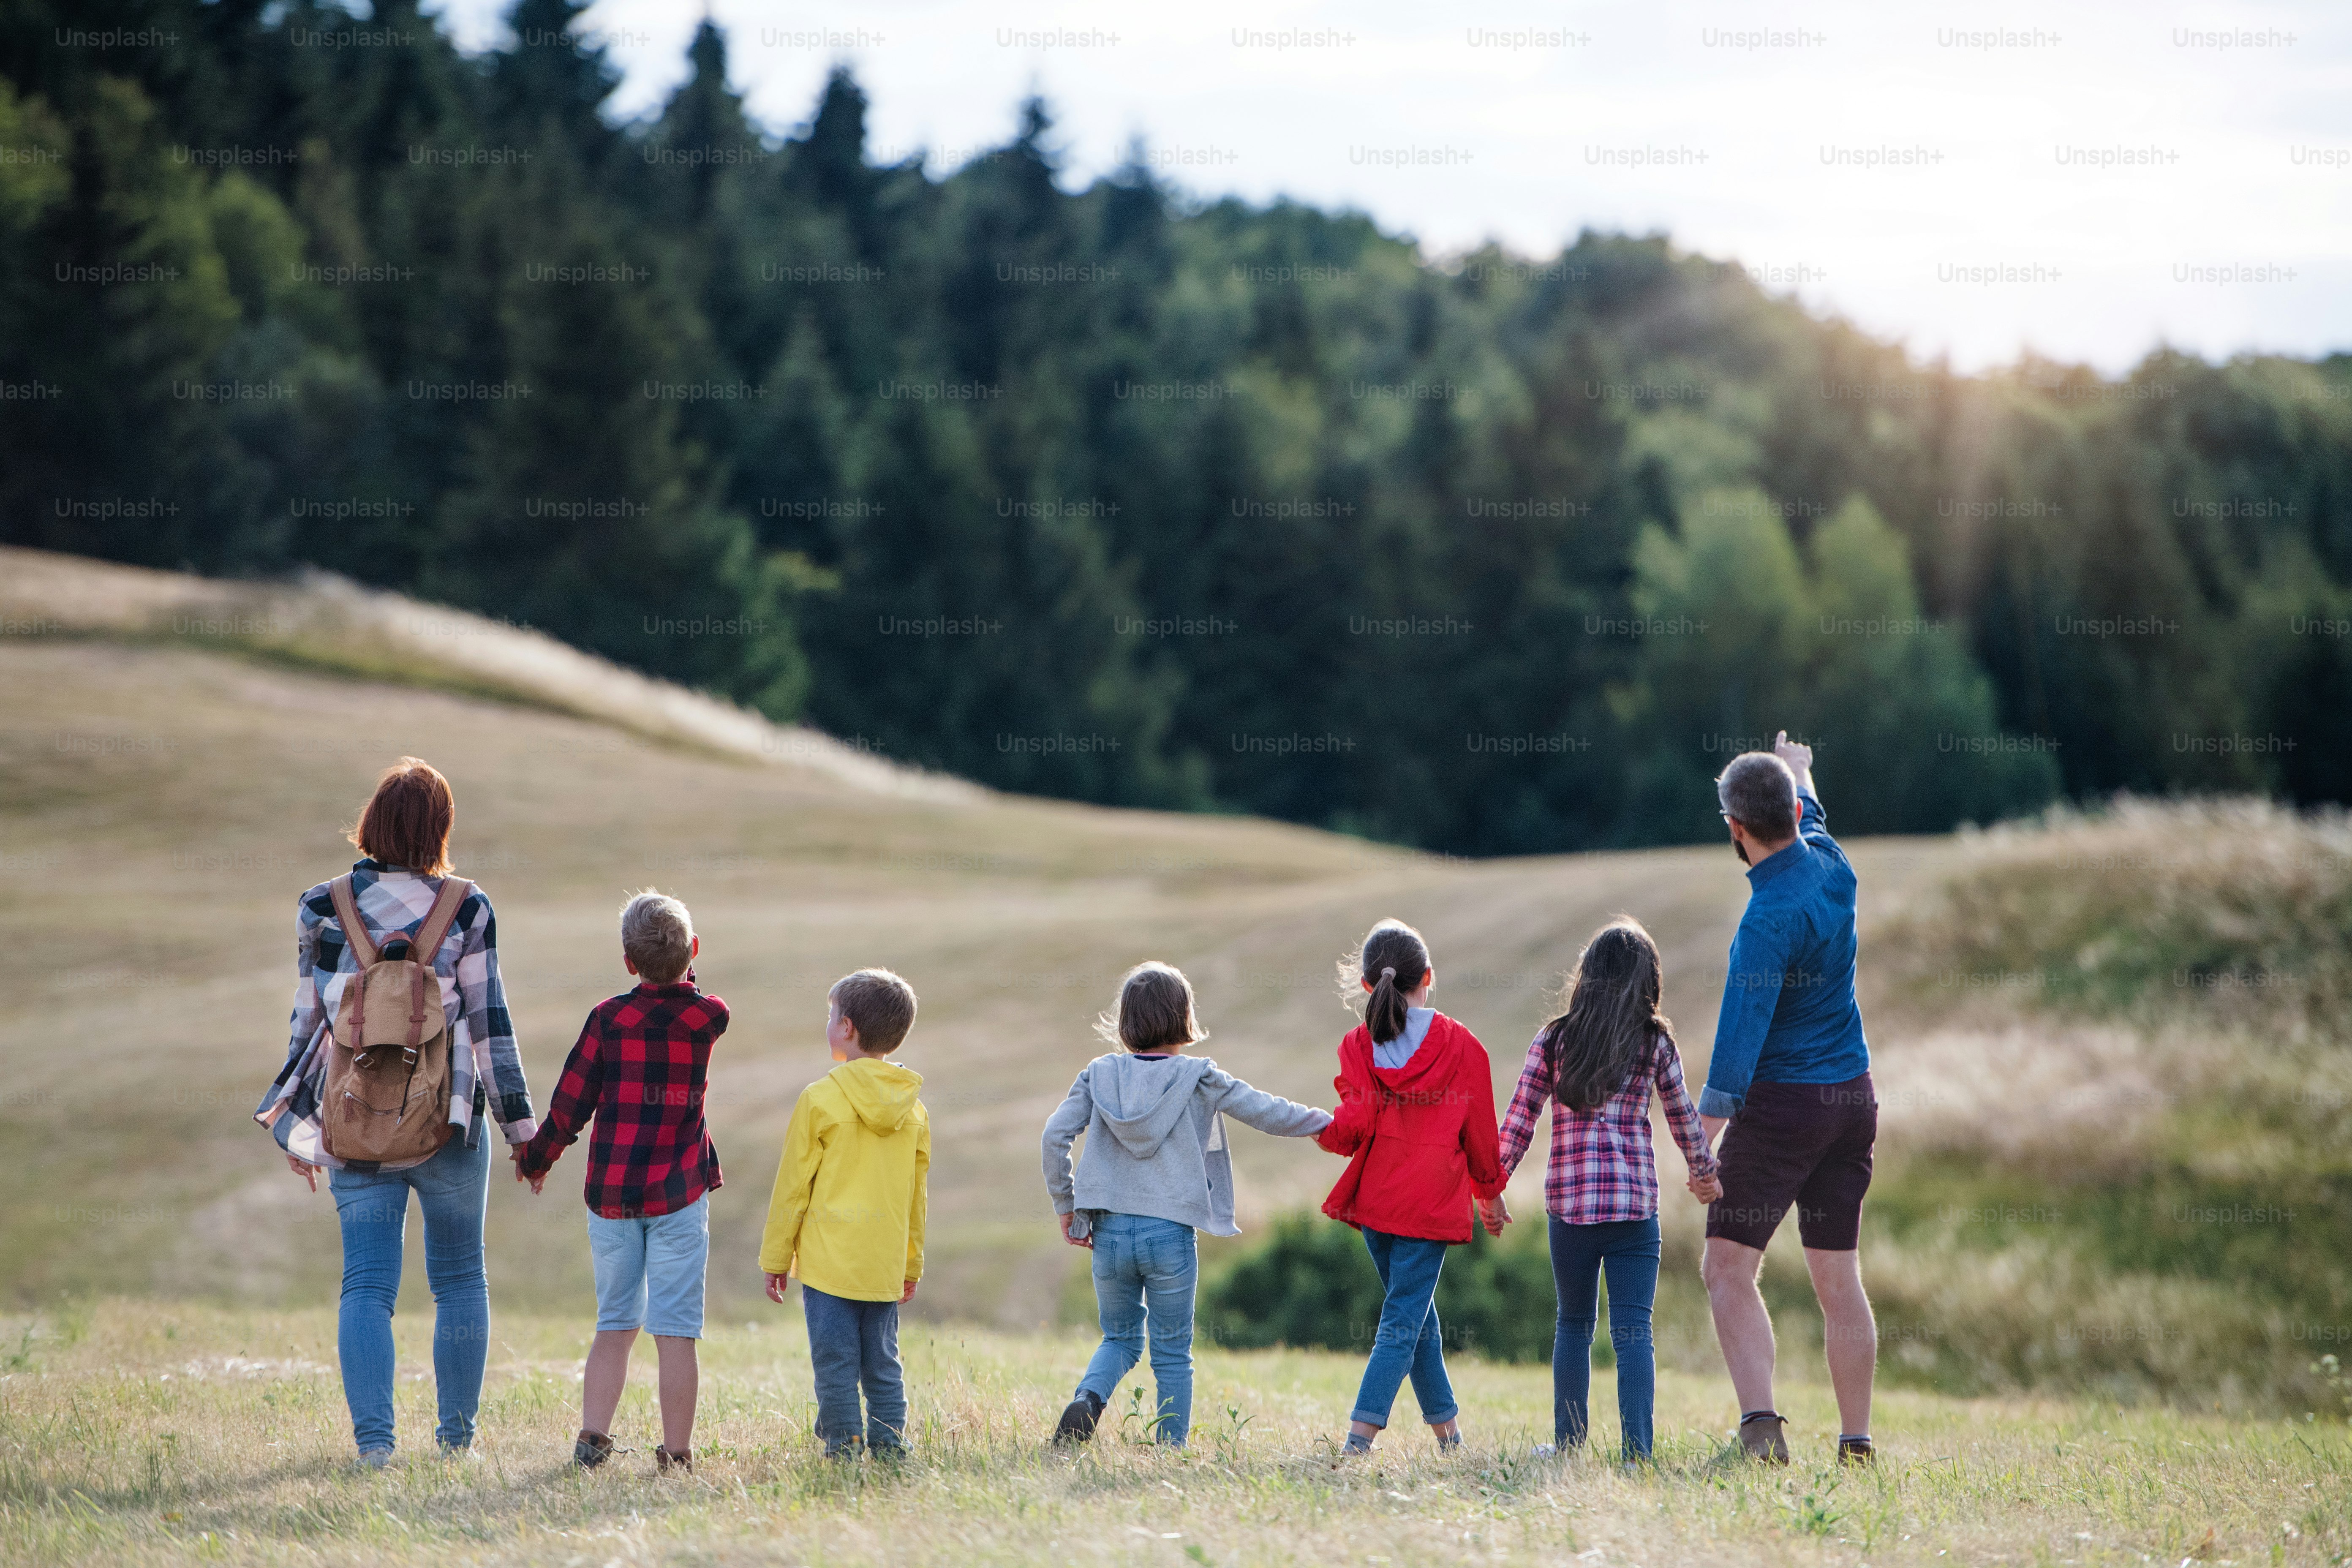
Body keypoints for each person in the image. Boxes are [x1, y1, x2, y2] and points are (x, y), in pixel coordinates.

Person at [254, 757, 538, 1467]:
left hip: (353, 1121)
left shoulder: (321, 905)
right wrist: (523, 1131)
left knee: (367, 1285)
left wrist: (295, 1116)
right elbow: (489, 1021)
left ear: (373, 820)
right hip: (448, 1122)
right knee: (460, 1280)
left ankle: (375, 1447)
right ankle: (455, 1444)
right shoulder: (468, 907)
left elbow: (308, 1019)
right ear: (439, 828)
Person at [1041, 961, 1331, 1447]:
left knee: (1119, 1339)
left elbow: (1054, 1136)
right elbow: (1263, 1109)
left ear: (1125, 1022)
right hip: (1171, 1235)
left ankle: (1089, 1399)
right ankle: (1170, 1450)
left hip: (1110, 1233)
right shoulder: (1199, 1077)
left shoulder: (1099, 1074)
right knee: (1172, 1352)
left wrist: (1065, 1203)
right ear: (1184, 1018)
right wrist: (1323, 1123)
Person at [1697, 731, 1879, 1466]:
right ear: (1791, 811)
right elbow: (1814, 822)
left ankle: (1761, 1430)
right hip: (1853, 1101)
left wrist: (1695, 1138)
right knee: (1838, 1277)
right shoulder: (1835, 869)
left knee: (1725, 1267)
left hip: (1783, 1109)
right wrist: (1801, 769)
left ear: (1734, 829)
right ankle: (1855, 1440)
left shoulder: (1763, 923)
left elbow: (1737, 1049)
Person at [1486, 919, 1721, 1464]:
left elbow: (1519, 1120)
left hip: (1570, 1211)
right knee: (1634, 1330)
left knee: (1573, 1323)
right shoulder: (1655, 1042)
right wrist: (1704, 1171)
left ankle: (1569, 1446)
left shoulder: (1554, 1040)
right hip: (1635, 1210)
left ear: (1586, 977)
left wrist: (1490, 1187)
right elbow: (1683, 1115)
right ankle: (1638, 1452)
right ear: (1649, 983)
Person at [515, 890, 728, 1473]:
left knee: (615, 1323)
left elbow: (571, 1101)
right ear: (694, 954)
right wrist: (684, 967)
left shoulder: (610, 1020)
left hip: (612, 1194)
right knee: (676, 1330)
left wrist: (538, 1159)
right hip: (680, 1194)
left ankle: (592, 1440)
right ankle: (678, 1453)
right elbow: (697, 996)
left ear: (627, 962)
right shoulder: (709, 1018)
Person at [1316, 918, 1507, 1456]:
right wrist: (1489, 1195)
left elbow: (1351, 1129)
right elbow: (1482, 1136)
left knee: (1413, 1315)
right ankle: (1360, 1437)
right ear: (1430, 977)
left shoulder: (1358, 1045)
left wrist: (1317, 1128)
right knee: (1404, 1319)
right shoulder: (1465, 1046)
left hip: (1376, 1205)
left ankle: (1450, 1437)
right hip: (1428, 1208)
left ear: (1365, 986)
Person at [760, 969, 931, 1459]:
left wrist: (776, 1256)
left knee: (835, 1362)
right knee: (882, 1361)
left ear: (847, 1028)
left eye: (831, 1014)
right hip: (882, 1264)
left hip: (828, 1265)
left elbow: (792, 1188)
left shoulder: (819, 1098)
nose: (828, 1022)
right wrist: (910, 1265)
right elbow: (916, 1200)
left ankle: (844, 1445)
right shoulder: (914, 1112)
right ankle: (891, 1443)